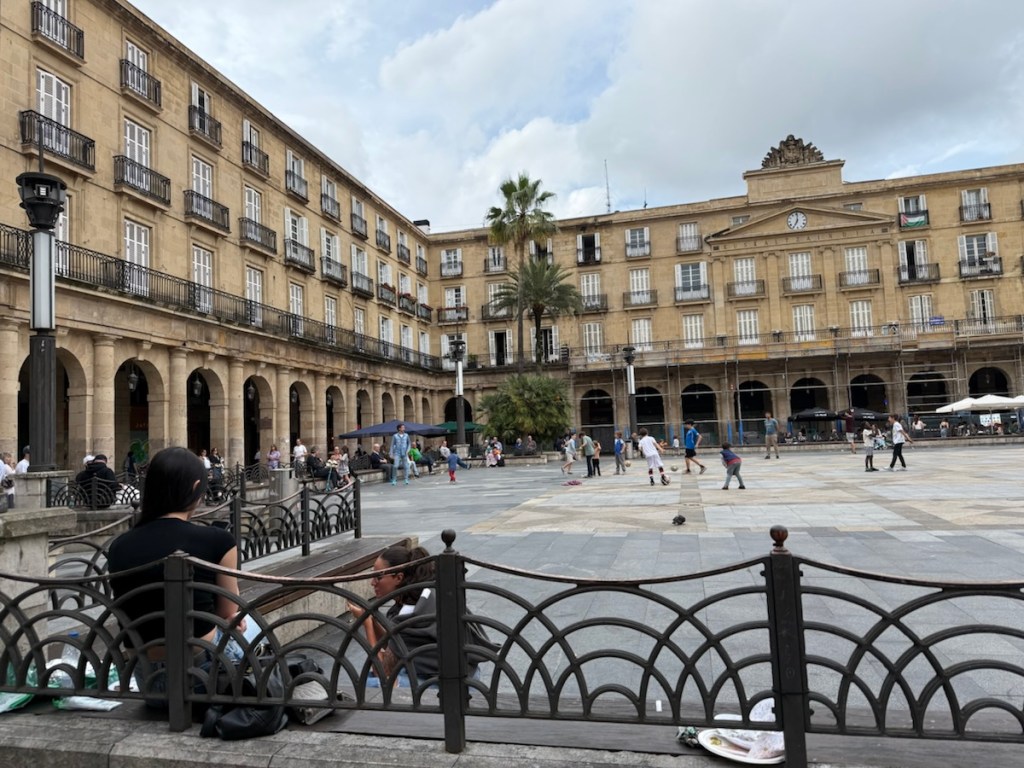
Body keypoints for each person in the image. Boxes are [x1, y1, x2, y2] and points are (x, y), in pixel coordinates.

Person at [107, 447, 250, 704]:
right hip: (203, 678)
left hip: (147, 681)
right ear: (196, 487)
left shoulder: (119, 546)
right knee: (245, 622)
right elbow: (228, 612)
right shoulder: (218, 541)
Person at [346, 545, 484, 688]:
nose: (372, 582)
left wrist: (367, 624)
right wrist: (373, 620)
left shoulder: (410, 613)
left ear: (399, 578)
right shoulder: (424, 594)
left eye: (378, 577)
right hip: (467, 673)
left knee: (370, 684)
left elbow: (382, 671)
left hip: (451, 686)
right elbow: (395, 642)